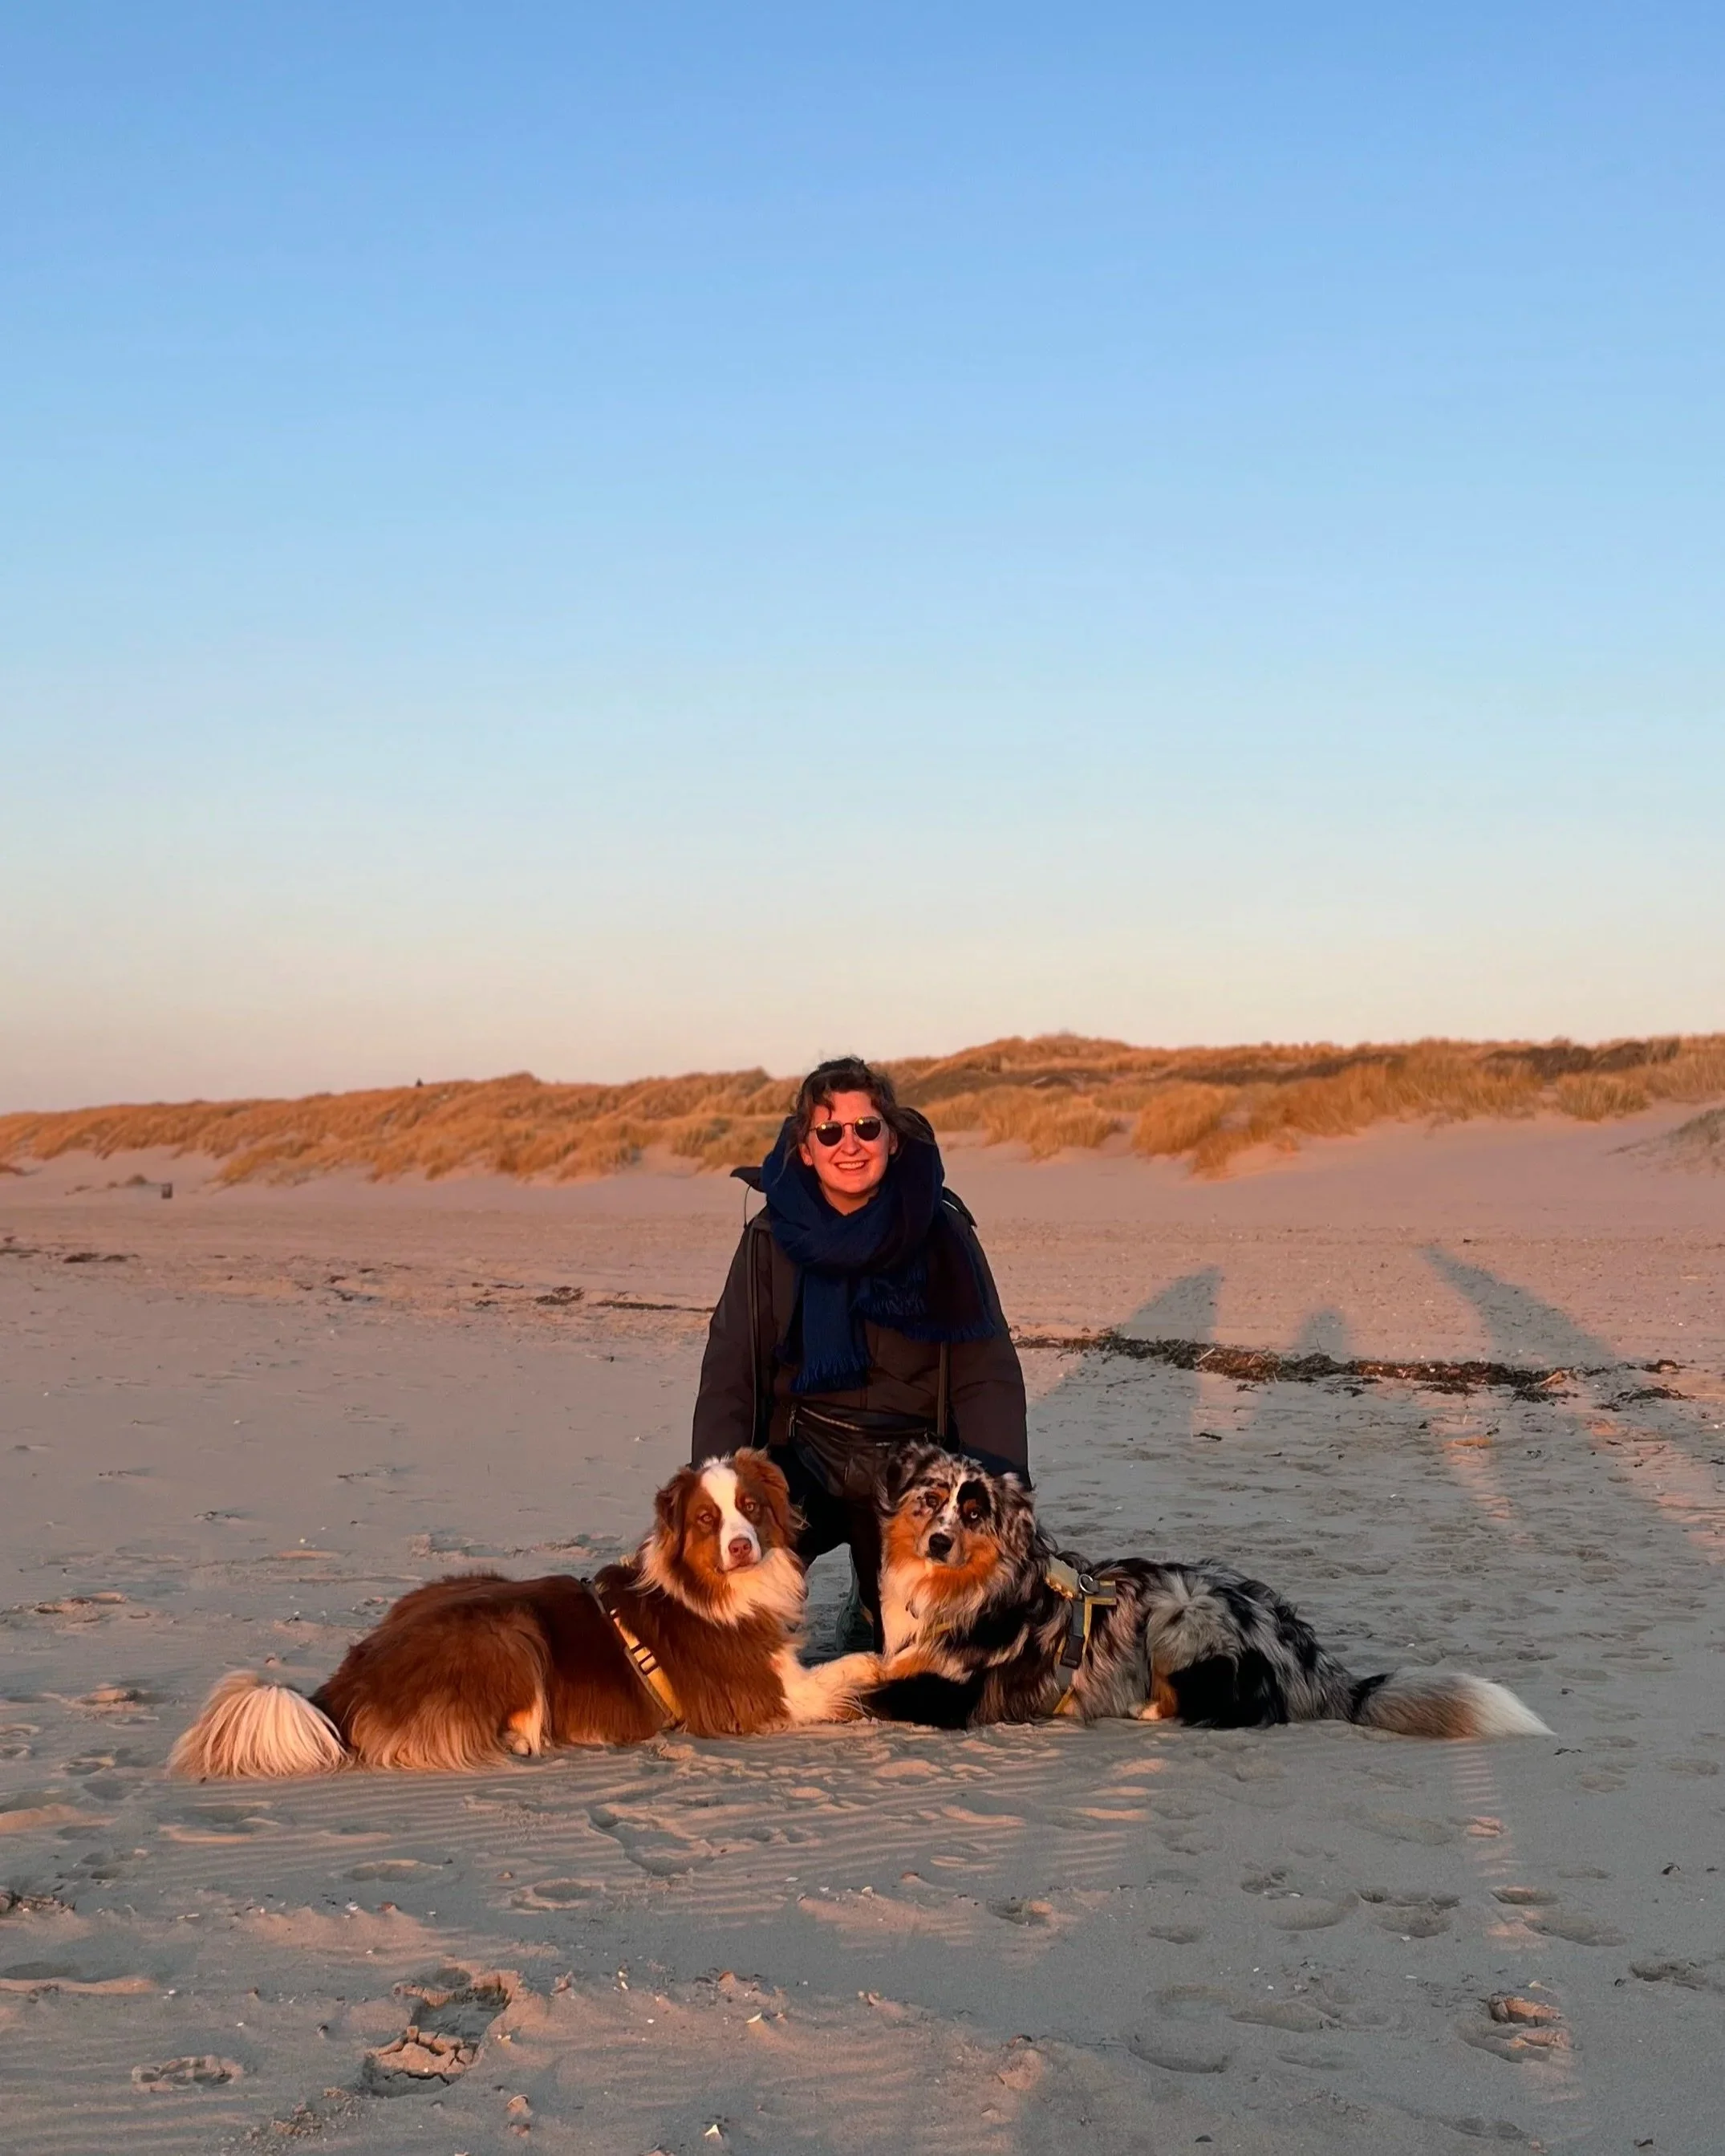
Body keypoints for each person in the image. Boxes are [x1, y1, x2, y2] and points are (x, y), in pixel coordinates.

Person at [690, 1055, 1028, 1639]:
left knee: (907, 1638)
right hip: (802, 1450)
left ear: (892, 1139)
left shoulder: (942, 1230)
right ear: (805, 1148)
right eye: (829, 1131)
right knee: (735, 1612)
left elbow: (986, 1375)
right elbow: (730, 1373)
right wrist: (713, 1491)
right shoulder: (771, 1236)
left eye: (866, 1127)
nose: (850, 1144)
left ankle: (870, 1600)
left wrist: (1004, 1496)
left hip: (912, 1462)